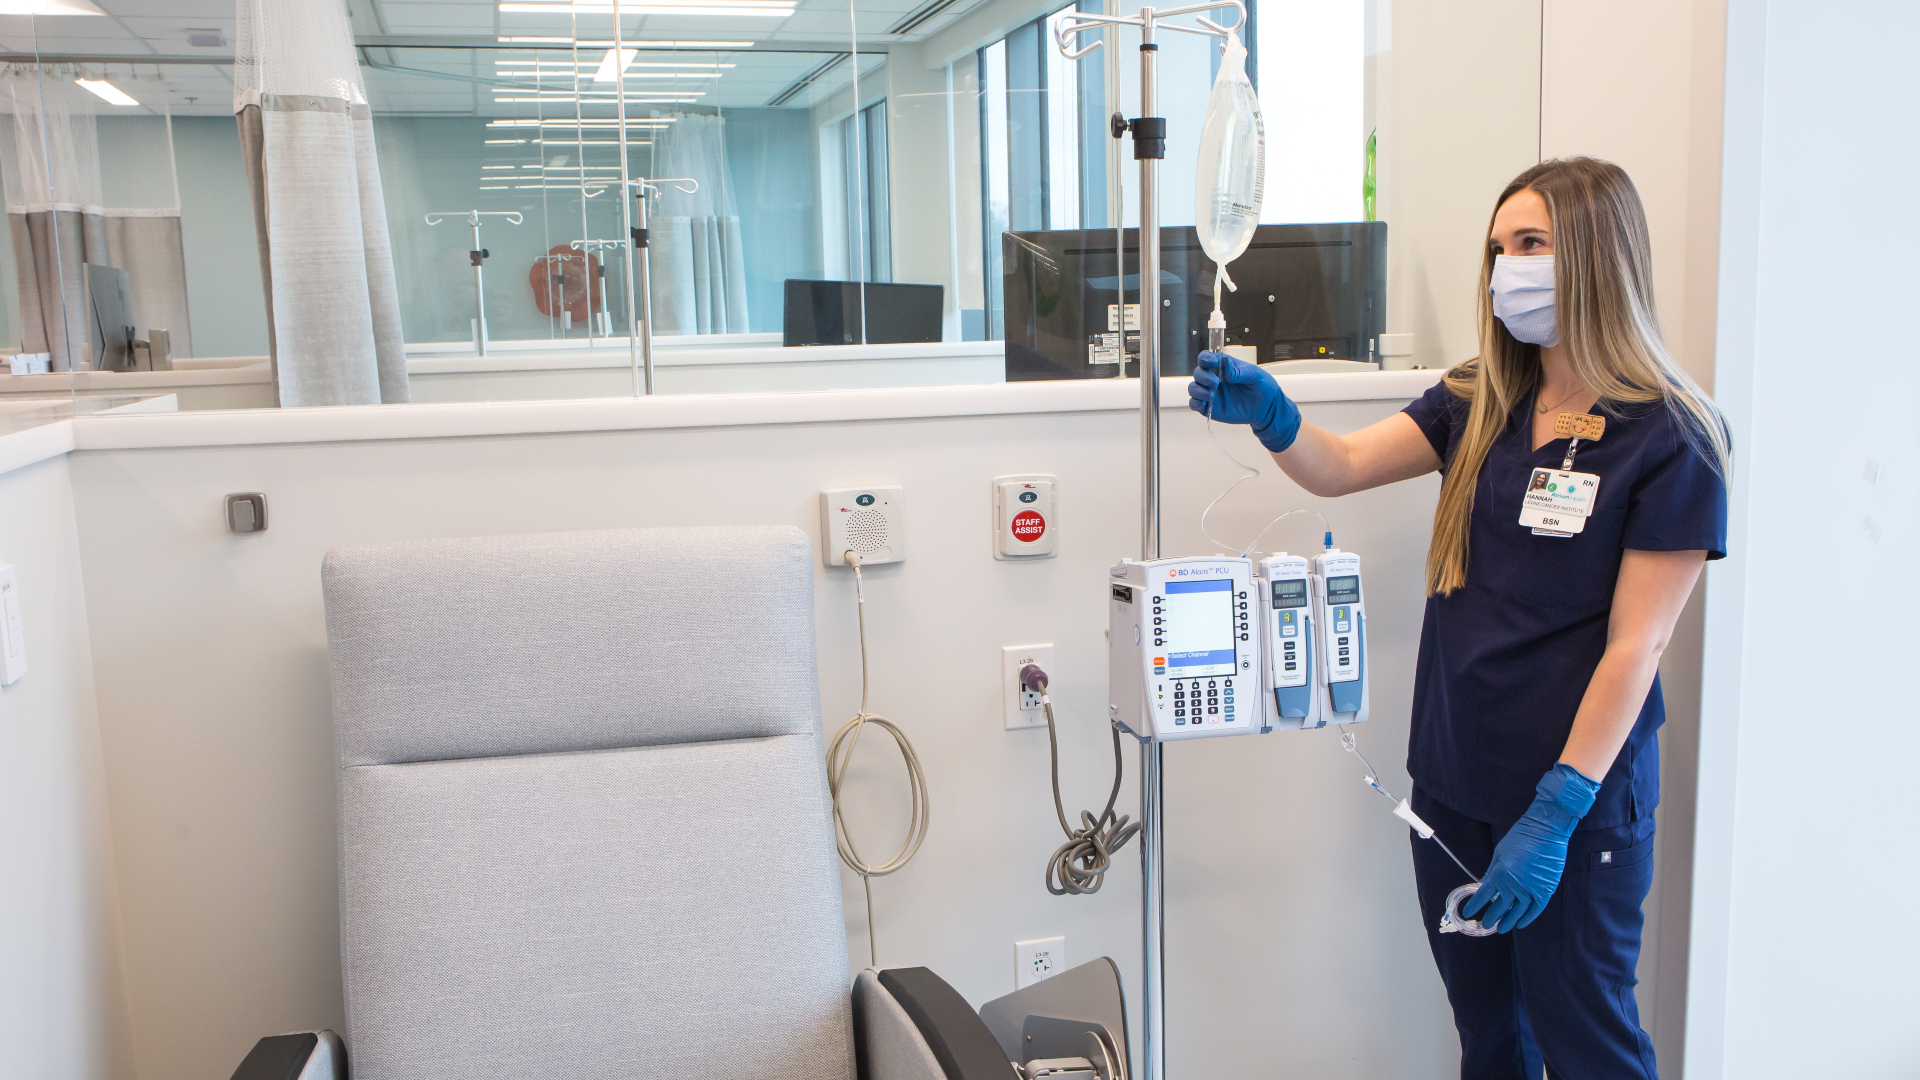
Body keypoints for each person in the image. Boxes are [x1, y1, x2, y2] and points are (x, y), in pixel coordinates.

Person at [1188, 157, 1728, 1080]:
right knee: (1490, 1037)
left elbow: (1638, 646)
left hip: (1571, 806)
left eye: (1530, 244)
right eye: (1496, 248)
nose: (1504, 268)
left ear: (1597, 256)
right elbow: (1343, 463)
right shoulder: (1482, 398)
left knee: (1586, 1042)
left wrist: (1555, 813)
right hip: (1453, 783)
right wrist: (1275, 418)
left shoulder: (1671, 437)